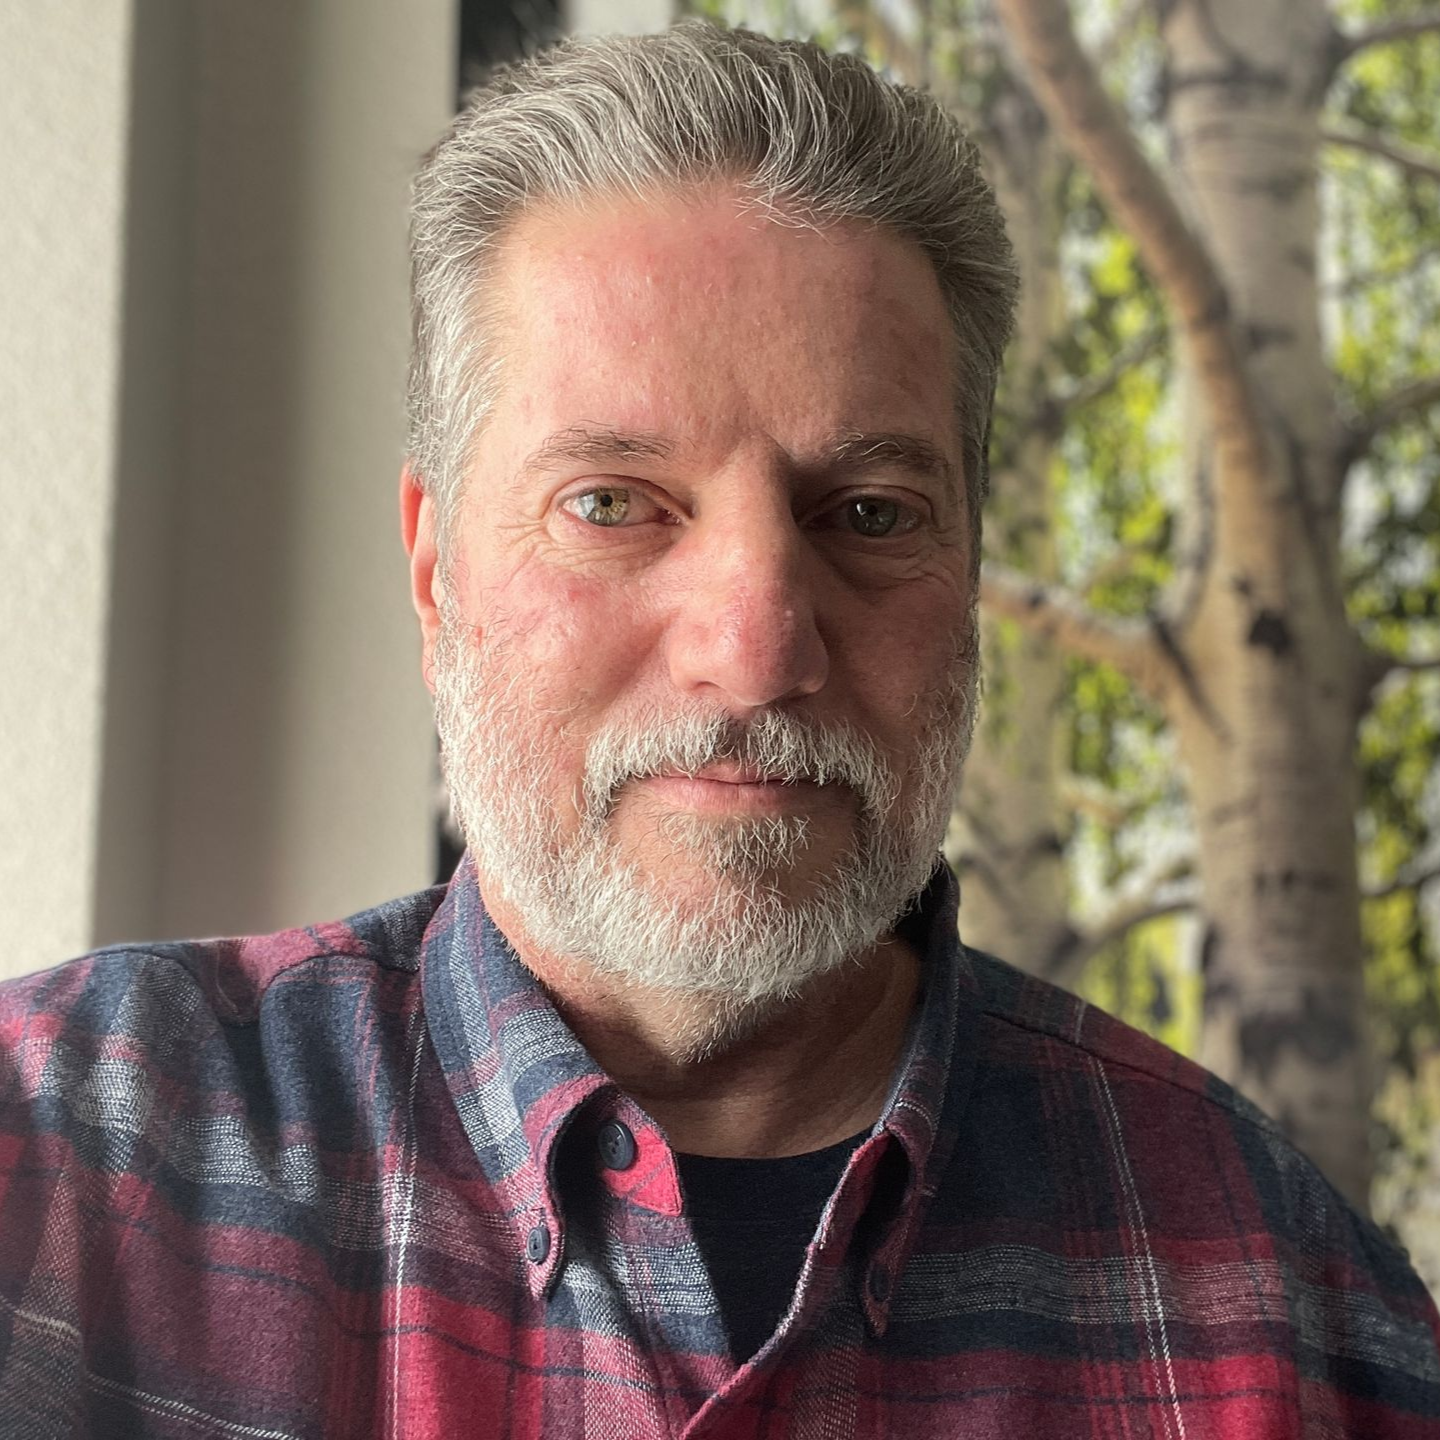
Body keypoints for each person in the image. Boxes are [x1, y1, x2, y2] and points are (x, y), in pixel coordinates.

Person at [1, 19, 1437, 1439]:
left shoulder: (1286, 1301)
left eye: (869, 515)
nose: (756, 651)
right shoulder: (59, 1162)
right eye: (615, 502)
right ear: (436, 570)